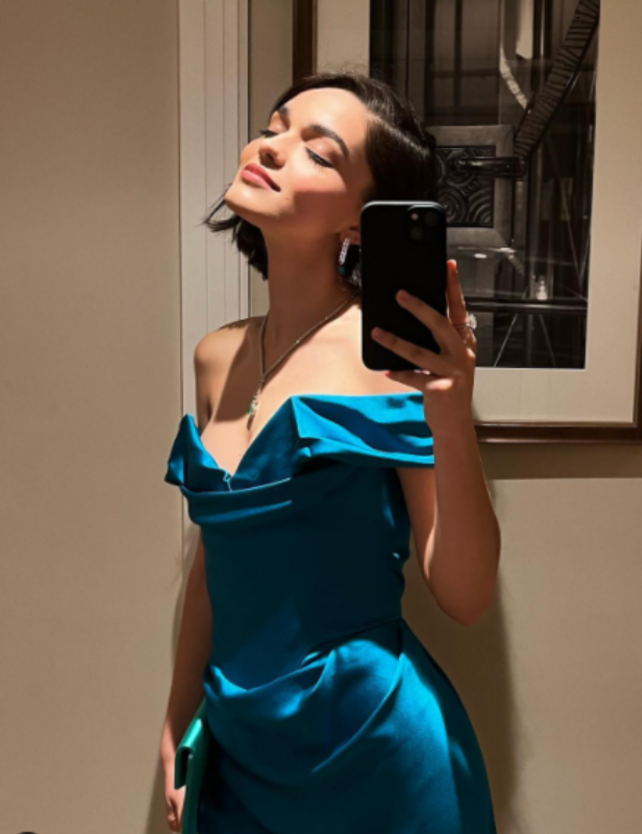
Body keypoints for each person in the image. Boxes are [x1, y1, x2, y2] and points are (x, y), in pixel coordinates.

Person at [159, 70, 501, 834]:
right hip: (239, 751)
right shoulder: (216, 357)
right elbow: (214, 566)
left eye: (319, 152)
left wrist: (452, 416)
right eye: (273, 128)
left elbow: (465, 595)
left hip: (377, 752)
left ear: (361, 223)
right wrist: (178, 716)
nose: (271, 148)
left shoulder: (395, 361)